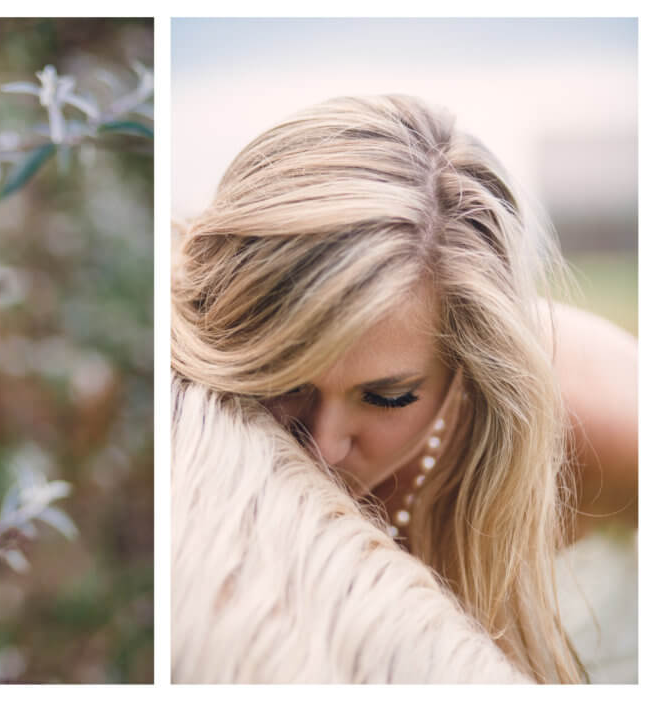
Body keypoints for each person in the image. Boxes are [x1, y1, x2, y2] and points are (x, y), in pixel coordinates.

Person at [171, 95, 637, 683]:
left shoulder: (608, 418)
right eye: (284, 381)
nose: (324, 445)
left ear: (467, 369)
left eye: (388, 397)